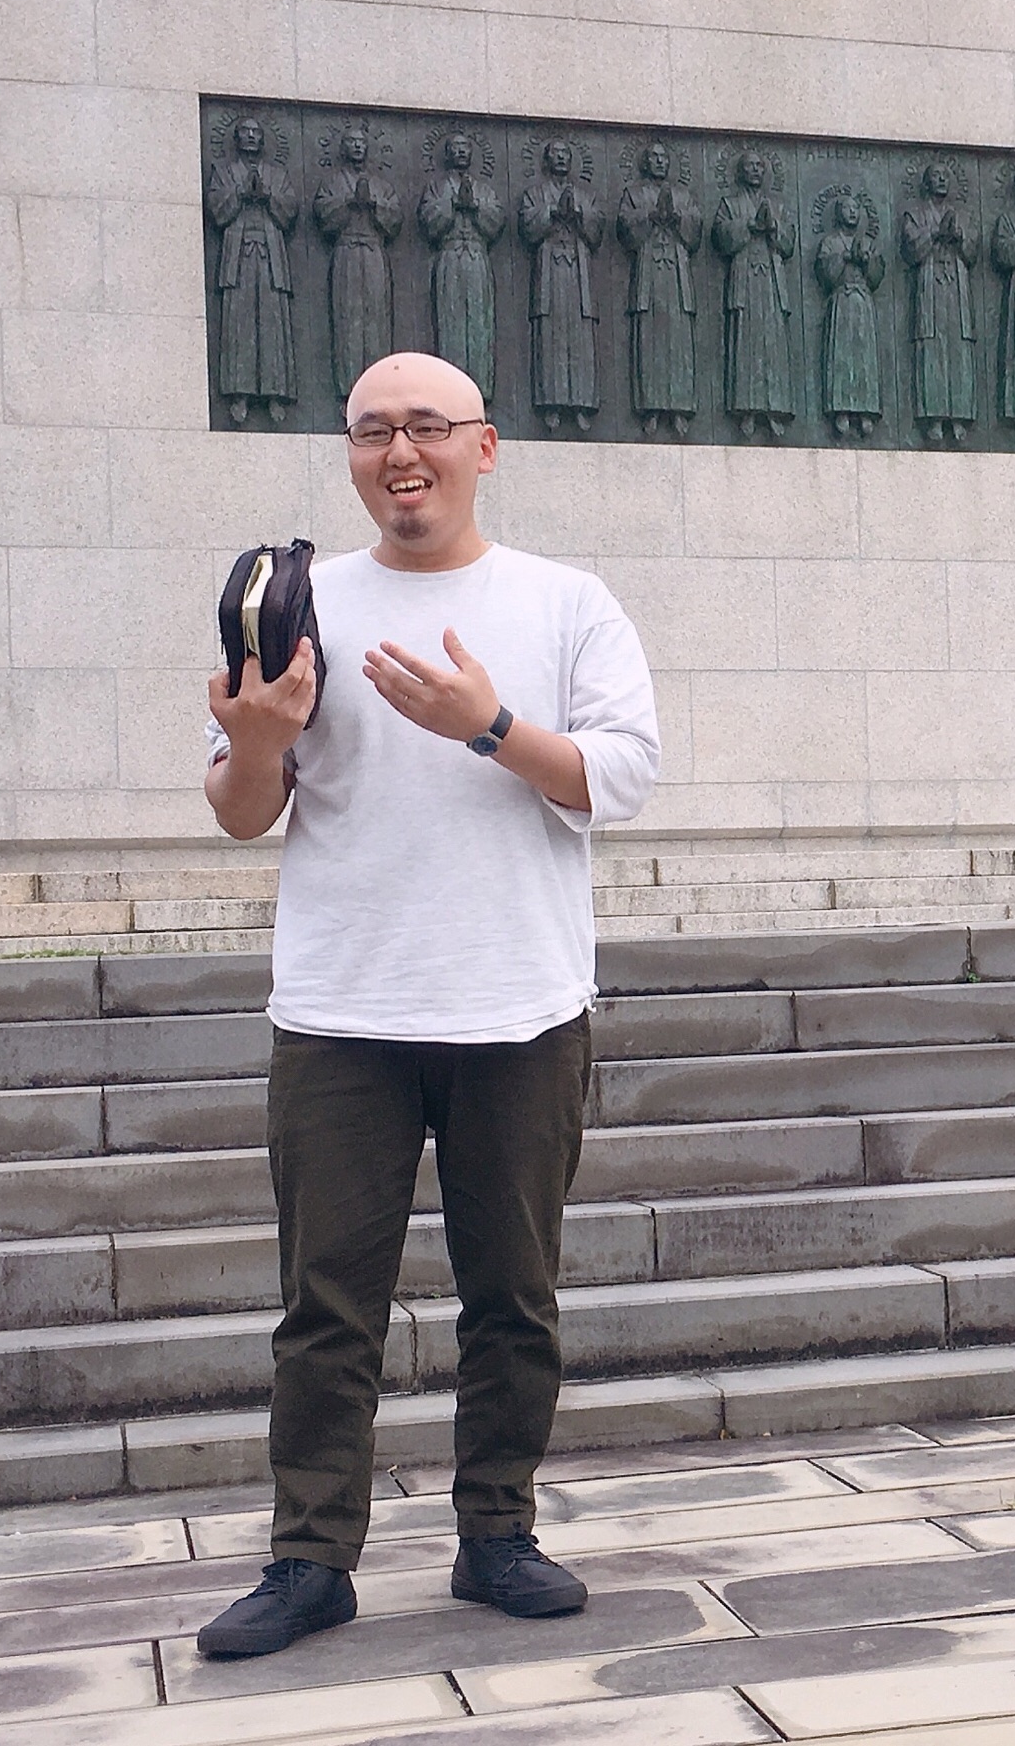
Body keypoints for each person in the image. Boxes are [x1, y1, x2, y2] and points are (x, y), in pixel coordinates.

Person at [194, 351, 660, 1659]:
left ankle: (496, 1531)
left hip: (519, 1006)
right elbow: (240, 809)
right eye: (373, 431)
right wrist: (262, 742)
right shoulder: (305, 603)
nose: (402, 452)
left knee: (512, 1294)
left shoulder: (565, 603)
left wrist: (489, 724)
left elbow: (622, 777)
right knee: (324, 1304)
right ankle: (310, 1559)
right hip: (341, 1011)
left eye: (429, 427)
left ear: (484, 446)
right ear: (351, 455)